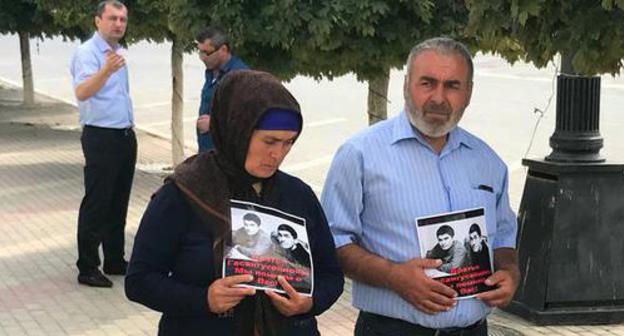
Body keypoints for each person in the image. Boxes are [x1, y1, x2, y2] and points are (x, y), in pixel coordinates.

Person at [321, 37, 520, 335]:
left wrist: (509, 272)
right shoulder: (360, 154)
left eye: (452, 85)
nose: (439, 98)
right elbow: (332, 241)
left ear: (468, 93)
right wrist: (393, 276)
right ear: (405, 86)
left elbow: (504, 233)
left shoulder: (487, 161)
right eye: (427, 83)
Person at [125, 70, 343, 335]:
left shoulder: (298, 195)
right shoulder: (185, 192)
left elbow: (331, 274)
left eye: (288, 143)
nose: (277, 154)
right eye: (269, 141)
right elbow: (140, 280)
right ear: (237, 131)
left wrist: (309, 302)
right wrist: (204, 298)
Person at [70, 0, 135, 288]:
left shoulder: (118, 53)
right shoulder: (88, 53)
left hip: (123, 135)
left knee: (118, 201)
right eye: (112, 18)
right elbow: (82, 92)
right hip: (101, 136)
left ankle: (114, 259)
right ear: (98, 21)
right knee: (98, 201)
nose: (118, 24)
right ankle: (87, 266)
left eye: (122, 19)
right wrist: (105, 71)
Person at [195, 26, 249, 152]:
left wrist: (213, 125)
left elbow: (246, 119)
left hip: (226, 158)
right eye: (200, 52)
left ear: (223, 49)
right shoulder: (211, 73)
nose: (203, 58)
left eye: (206, 53)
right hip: (207, 154)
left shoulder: (240, 76)